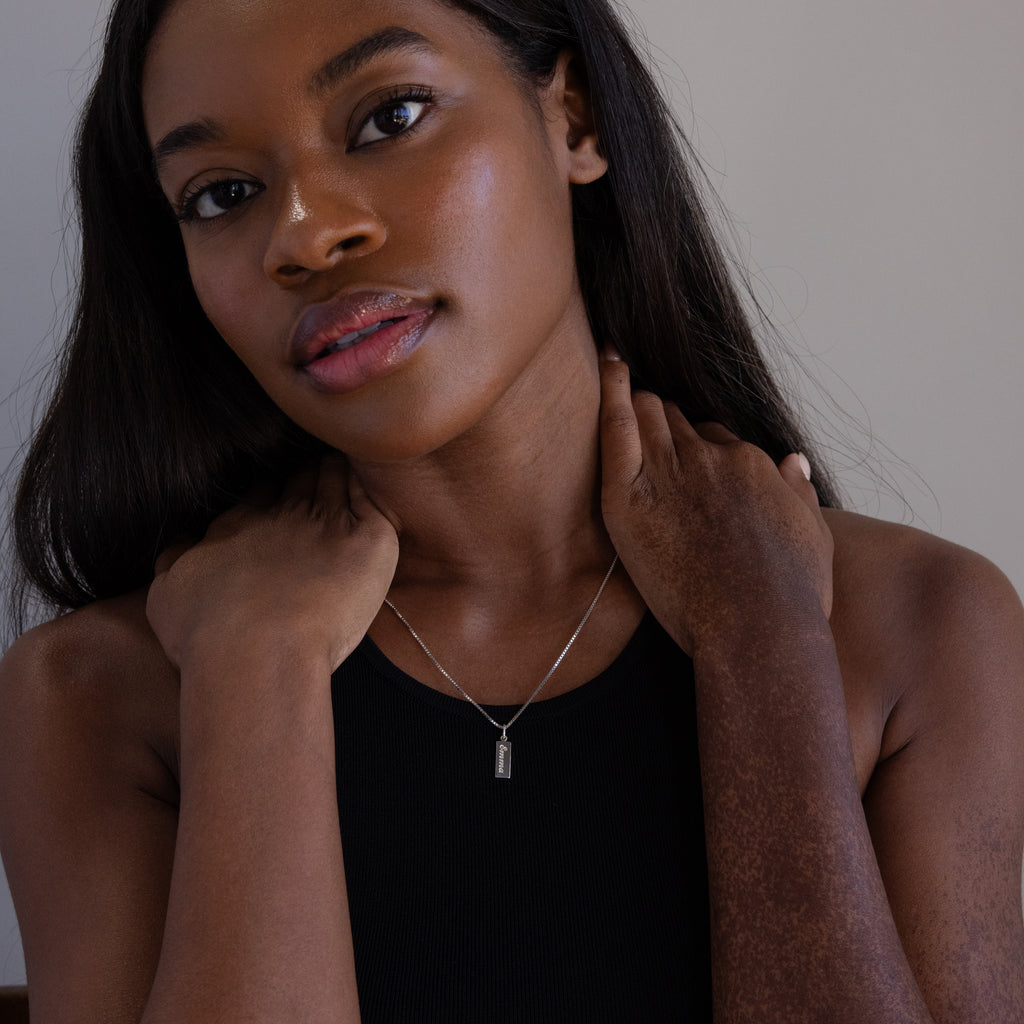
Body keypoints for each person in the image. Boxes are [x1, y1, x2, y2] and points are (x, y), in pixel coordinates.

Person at [0, 0, 1021, 1020]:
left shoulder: (921, 626)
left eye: (388, 119)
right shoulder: (102, 696)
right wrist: (253, 673)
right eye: (221, 193)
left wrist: (762, 645)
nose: (303, 237)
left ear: (573, 121)